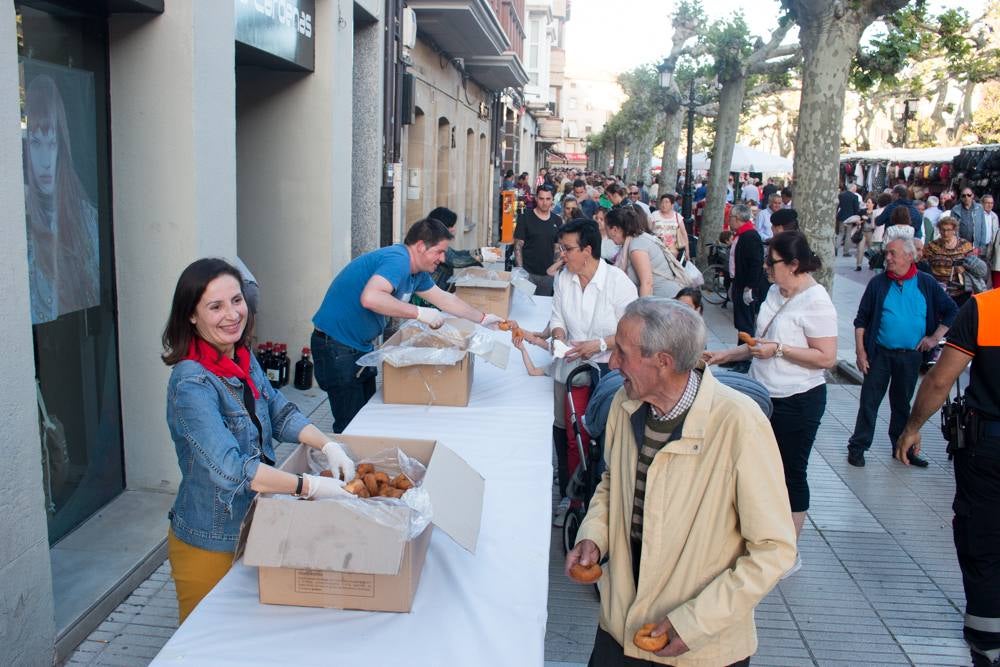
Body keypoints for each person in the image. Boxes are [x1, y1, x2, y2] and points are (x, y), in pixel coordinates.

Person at [566, 297, 796, 666]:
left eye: (622, 354)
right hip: (619, 630)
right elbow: (612, 484)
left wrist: (694, 623)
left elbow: (774, 549)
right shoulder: (625, 407)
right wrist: (593, 534)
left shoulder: (740, 424)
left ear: (663, 362)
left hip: (700, 647)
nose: (612, 363)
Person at [162, 258, 357, 623]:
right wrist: (308, 486)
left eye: (237, 301)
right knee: (207, 644)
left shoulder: (240, 357)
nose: (232, 314)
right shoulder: (191, 383)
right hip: (212, 541)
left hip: (258, 523)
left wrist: (327, 445)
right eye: (215, 306)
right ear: (191, 315)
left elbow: (279, 411)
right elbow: (232, 470)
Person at [705, 232, 837, 561]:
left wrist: (780, 350)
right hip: (762, 395)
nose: (766, 267)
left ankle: (785, 554)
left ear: (794, 265)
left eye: (772, 262)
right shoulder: (775, 293)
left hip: (799, 399)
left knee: (791, 473)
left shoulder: (817, 301)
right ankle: (758, 540)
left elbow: (825, 357)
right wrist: (723, 356)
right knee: (755, 469)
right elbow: (759, 342)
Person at [312, 218, 502, 433]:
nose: (442, 259)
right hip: (336, 347)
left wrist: (483, 318)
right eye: (439, 252)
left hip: (358, 346)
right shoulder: (398, 260)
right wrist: (419, 312)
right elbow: (371, 298)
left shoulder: (417, 272)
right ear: (421, 246)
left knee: (365, 421)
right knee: (351, 428)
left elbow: (445, 300)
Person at [896, 290, 1000, 667]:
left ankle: (987, 648)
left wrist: (912, 427)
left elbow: (940, 381)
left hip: (989, 449)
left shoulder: (987, 307)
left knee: (983, 545)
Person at [549, 219, 638, 525]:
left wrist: (598, 344)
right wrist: (559, 336)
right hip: (573, 366)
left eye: (568, 249)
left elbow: (633, 331)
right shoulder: (564, 279)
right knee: (574, 435)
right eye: (562, 248)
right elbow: (557, 316)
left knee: (605, 437)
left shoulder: (618, 283)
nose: (563, 254)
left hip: (609, 369)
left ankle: (604, 499)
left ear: (587, 250)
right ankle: (573, 497)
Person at [846, 238, 958, 468]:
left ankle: (901, 447)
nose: (888, 258)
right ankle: (858, 447)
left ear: (909, 256)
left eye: (892, 253)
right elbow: (861, 320)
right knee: (870, 401)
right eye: (887, 253)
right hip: (880, 354)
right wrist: (860, 352)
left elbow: (951, 311)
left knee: (902, 404)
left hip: (910, 355)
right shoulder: (878, 283)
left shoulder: (925, 283)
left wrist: (934, 338)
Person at [23, 74, 100, 325]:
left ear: (61, 147)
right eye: (36, 142)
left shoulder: (85, 217)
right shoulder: (22, 226)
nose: (45, 160)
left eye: (51, 142)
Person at [606, 205, 685, 298]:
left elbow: (647, 284)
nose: (607, 236)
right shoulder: (635, 240)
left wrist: (642, 311)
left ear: (615, 229)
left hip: (664, 301)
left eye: (607, 229)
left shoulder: (637, 246)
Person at [731, 203, 769, 346]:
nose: (729, 220)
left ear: (737, 218)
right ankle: (738, 354)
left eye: (731, 217)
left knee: (745, 322)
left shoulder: (750, 236)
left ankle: (745, 357)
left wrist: (750, 287)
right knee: (741, 321)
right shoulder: (742, 235)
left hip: (746, 285)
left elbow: (755, 264)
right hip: (739, 283)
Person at [514, 185, 563, 296]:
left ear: (552, 199)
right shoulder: (525, 217)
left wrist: (554, 271)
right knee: (525, 307)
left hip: (548, 275)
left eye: (548, 199)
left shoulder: (557, 220)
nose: (544, 202)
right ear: (536, 198)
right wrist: (520, 271)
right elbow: (518, 246)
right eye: (541, 198)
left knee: (544, 308)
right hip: (528, 273)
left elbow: (557, 248)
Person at [425, 206, 481, 292]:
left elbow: (456, 254)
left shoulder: (436, 238)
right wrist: (483, 254)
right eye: (450, 226)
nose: (453, 229)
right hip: (429, 293)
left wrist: (479, 253)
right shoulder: (432, 242)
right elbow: (456, 260)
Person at [924, 215, 975, 307]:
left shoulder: (965, 245)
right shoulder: (932, 246)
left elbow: (973, 266)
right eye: (942, 230)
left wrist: (964, 269)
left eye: (949, 230)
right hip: (939, 290)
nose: (945, 233)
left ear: (954, 230)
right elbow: (924, 265)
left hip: (960, 291)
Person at [648, 194, 688, 258]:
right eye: (662, 202)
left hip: (672, 250)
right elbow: (647, 231)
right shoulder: (654, 215)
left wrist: (687, 251)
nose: (664, 205)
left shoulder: (677, 216)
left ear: (672, 205)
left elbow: (684, 234)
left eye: (666, 202)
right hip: (656, 248)